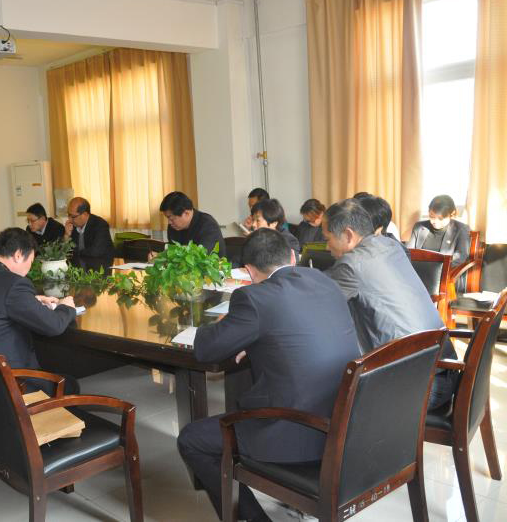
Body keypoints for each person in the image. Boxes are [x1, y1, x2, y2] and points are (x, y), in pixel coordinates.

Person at [177, 229, 359, 522]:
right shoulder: (323, 281)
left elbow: (206, 350)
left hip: (299, 430)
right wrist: (254, 338)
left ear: (249, 271)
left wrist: (228, 325)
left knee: (191, 439)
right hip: (347, 422)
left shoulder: (253, 298)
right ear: (292, 257)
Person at [322, 199, 458, 409]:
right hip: (445, 370)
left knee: (323, 394)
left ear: (348, 235)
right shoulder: (391, 245)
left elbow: (317, 304)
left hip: (417, 388)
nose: (326, 246)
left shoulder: (350, 265)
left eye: (327, 238)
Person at [0, 228, 77, 392]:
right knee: (70, 384)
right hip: (8, 386)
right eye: (31, 261)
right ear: (18, 255)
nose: (29, 267)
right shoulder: (14, 283)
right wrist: (66, 307)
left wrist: (31, 300)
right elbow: (54, 325)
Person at [407, 194, 470, 267]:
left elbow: (461, 256)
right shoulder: (419, 227)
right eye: (432, 217)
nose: (435, 222)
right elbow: (409, 252)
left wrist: (439, 268)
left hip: (444, 270)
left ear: (452, 214)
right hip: (416, 269)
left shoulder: (461, 229)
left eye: (440, 219)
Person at [159, 191, 225, 257]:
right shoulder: (173, 226)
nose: (169, 222)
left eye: (171, 218)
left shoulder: (208, 225)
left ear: (186, 213)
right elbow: (172, 252)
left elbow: (200, 256)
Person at [63, 197, 114, 272]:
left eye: (73, 216)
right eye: (68, 215)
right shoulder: (72, 226)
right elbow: (62, 253)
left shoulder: (100, 225)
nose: (69, 219)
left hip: (100, 269)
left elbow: (95, 252)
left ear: (84, 214)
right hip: (80, 268)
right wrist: (66, 235)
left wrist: (74, 252)